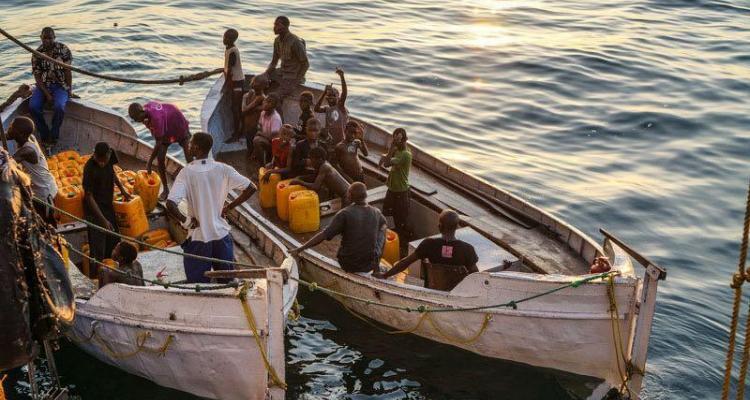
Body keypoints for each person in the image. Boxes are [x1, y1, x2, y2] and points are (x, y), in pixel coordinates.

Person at [166, 132, 257, 283]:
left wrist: (187, 221)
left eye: (190, 144)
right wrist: (228, 207)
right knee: (227, 282)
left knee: (198, 284)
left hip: (199, 238)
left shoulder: (186, 172)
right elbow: (251, 188)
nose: (188, 146)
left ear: (196, 148)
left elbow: (170, 204)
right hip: (221, 235)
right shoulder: (223, 169)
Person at [290, 182, 386, 274]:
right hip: (368, 265)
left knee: (379, 229)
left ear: (350, 196)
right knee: (382, 229)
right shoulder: (376, 212)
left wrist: (299, 249)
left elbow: (324, 235)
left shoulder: (345, 213)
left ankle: (374, 266)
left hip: (347, 264)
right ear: (365, 196)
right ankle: (376, 268)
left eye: (348, 192)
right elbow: (383, 225)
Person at [373, 210, 478, 289]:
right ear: (457, 227)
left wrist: (385, 275)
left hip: (433, 289)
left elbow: (406, 262)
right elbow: (476, 276)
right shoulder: (467, 250)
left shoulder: (429, 244)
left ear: (439, 226)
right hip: (455, 292)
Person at [128, 101, 193, 200]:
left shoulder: (156, 118)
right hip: (166, 129)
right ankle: (166, 189)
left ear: (141, 112)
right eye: (133, 119)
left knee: (189, 156)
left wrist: (149, 162)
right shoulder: (145, 115)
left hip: (178, 124)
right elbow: (157, 136)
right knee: (160, 158)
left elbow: (158, 142)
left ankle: (196, 182)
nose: (136, 121)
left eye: (136, 118)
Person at [83, 142, 132, 272]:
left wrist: (123, 190)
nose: (102, 164)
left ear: (109, 154)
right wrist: (102, 220)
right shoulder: (89, 168)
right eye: (99, 161)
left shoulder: (110, 157)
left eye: (104, 161)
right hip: (94, 211)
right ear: (95, 156)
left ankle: (115, 271)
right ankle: (96, 275)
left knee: (114, 241)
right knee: (98, 249)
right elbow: (88, 196)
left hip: (108, 205)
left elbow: (112, 172)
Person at [7, 116, 58, 225]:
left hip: (44, 192)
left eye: (11, 128)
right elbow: (6, 135)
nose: (9, 129)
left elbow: (8, 165)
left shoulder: (27, 150)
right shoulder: (27, 136)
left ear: (19, 134)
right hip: (37, 188)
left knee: (46, 222)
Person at [30, 27, 73, 145]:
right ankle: (44, 134)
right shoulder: (36, 54)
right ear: (41, 38)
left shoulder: (63, 50)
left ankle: (53, 135)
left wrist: (69, 89)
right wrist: (47, 94)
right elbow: (37, 77)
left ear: (54, 38)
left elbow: (68, 71)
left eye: (50, 38)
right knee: (33, 106)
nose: (47, 41)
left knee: (59, 107)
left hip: (60, 85)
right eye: (45, 38)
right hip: (43, 86)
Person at [264, 16, 309, 109]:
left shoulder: (295, 42)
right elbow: (273, 62)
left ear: (285, 26)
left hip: (292, 76)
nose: (274, 27)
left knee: (274, 98)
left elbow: (305, 64)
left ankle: (279, 121)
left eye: (277, 25)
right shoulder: (277, 41)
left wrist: (295, 83)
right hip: (281, 73)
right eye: (274, 24)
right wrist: (264, 75)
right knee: (258, 83)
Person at [379, 128, 412, 240]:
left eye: (400, 140)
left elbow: (387, 162)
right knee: (386, 214)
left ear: (405, 140)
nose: (398, 143)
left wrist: (389, 152)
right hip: (392, 190)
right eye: (395, 140)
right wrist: (390, 151)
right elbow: (386, 165)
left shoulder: (406, 154)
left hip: (401, 193)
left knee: (401, 221)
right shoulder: (396, 151)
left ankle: (403, 243)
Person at [314, 67, 349, 148]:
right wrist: (324, 93)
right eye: (329, 95)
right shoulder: (327, 109)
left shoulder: (340, 107)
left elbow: (344, 93)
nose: (331, 97)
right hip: (329, 140)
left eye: (334, 95)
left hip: (340, 141)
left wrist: (342, 77)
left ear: (338, 97)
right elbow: (316, 109)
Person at [223, 28, 245, 143]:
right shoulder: (228, 49)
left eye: (227, 38)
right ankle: (238, 131)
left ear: (233, 39)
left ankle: (237, 134)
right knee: (234, 108)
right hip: (234, 81)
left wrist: (226, 85)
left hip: (237, 82)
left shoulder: (232, 51)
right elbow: (227, 67)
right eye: (224, 37)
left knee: (235, 108)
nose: (224, 39)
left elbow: (230, 70)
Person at [240, 74, 268, 153]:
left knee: (252, 145)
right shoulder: (252, 93)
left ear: (263, 86)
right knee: (249, 143)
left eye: (257, 83)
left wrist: (244, 98)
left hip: (254, 126)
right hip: (248, 125)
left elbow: (244, 110)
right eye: (254, 82)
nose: (254, 85)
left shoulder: (261, 97)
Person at [252, 95, 282, 164]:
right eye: (265, 101)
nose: (265, 103)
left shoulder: (275, 118)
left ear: (274, 106)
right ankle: (260, 160)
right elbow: (259, 126)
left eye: (269, 102)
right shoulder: (263, 113)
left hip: (275, 144)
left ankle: (262, 165)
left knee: (257, 140)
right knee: (256, 137)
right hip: (266, 139)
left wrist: (260, 133)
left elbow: (274, 138)